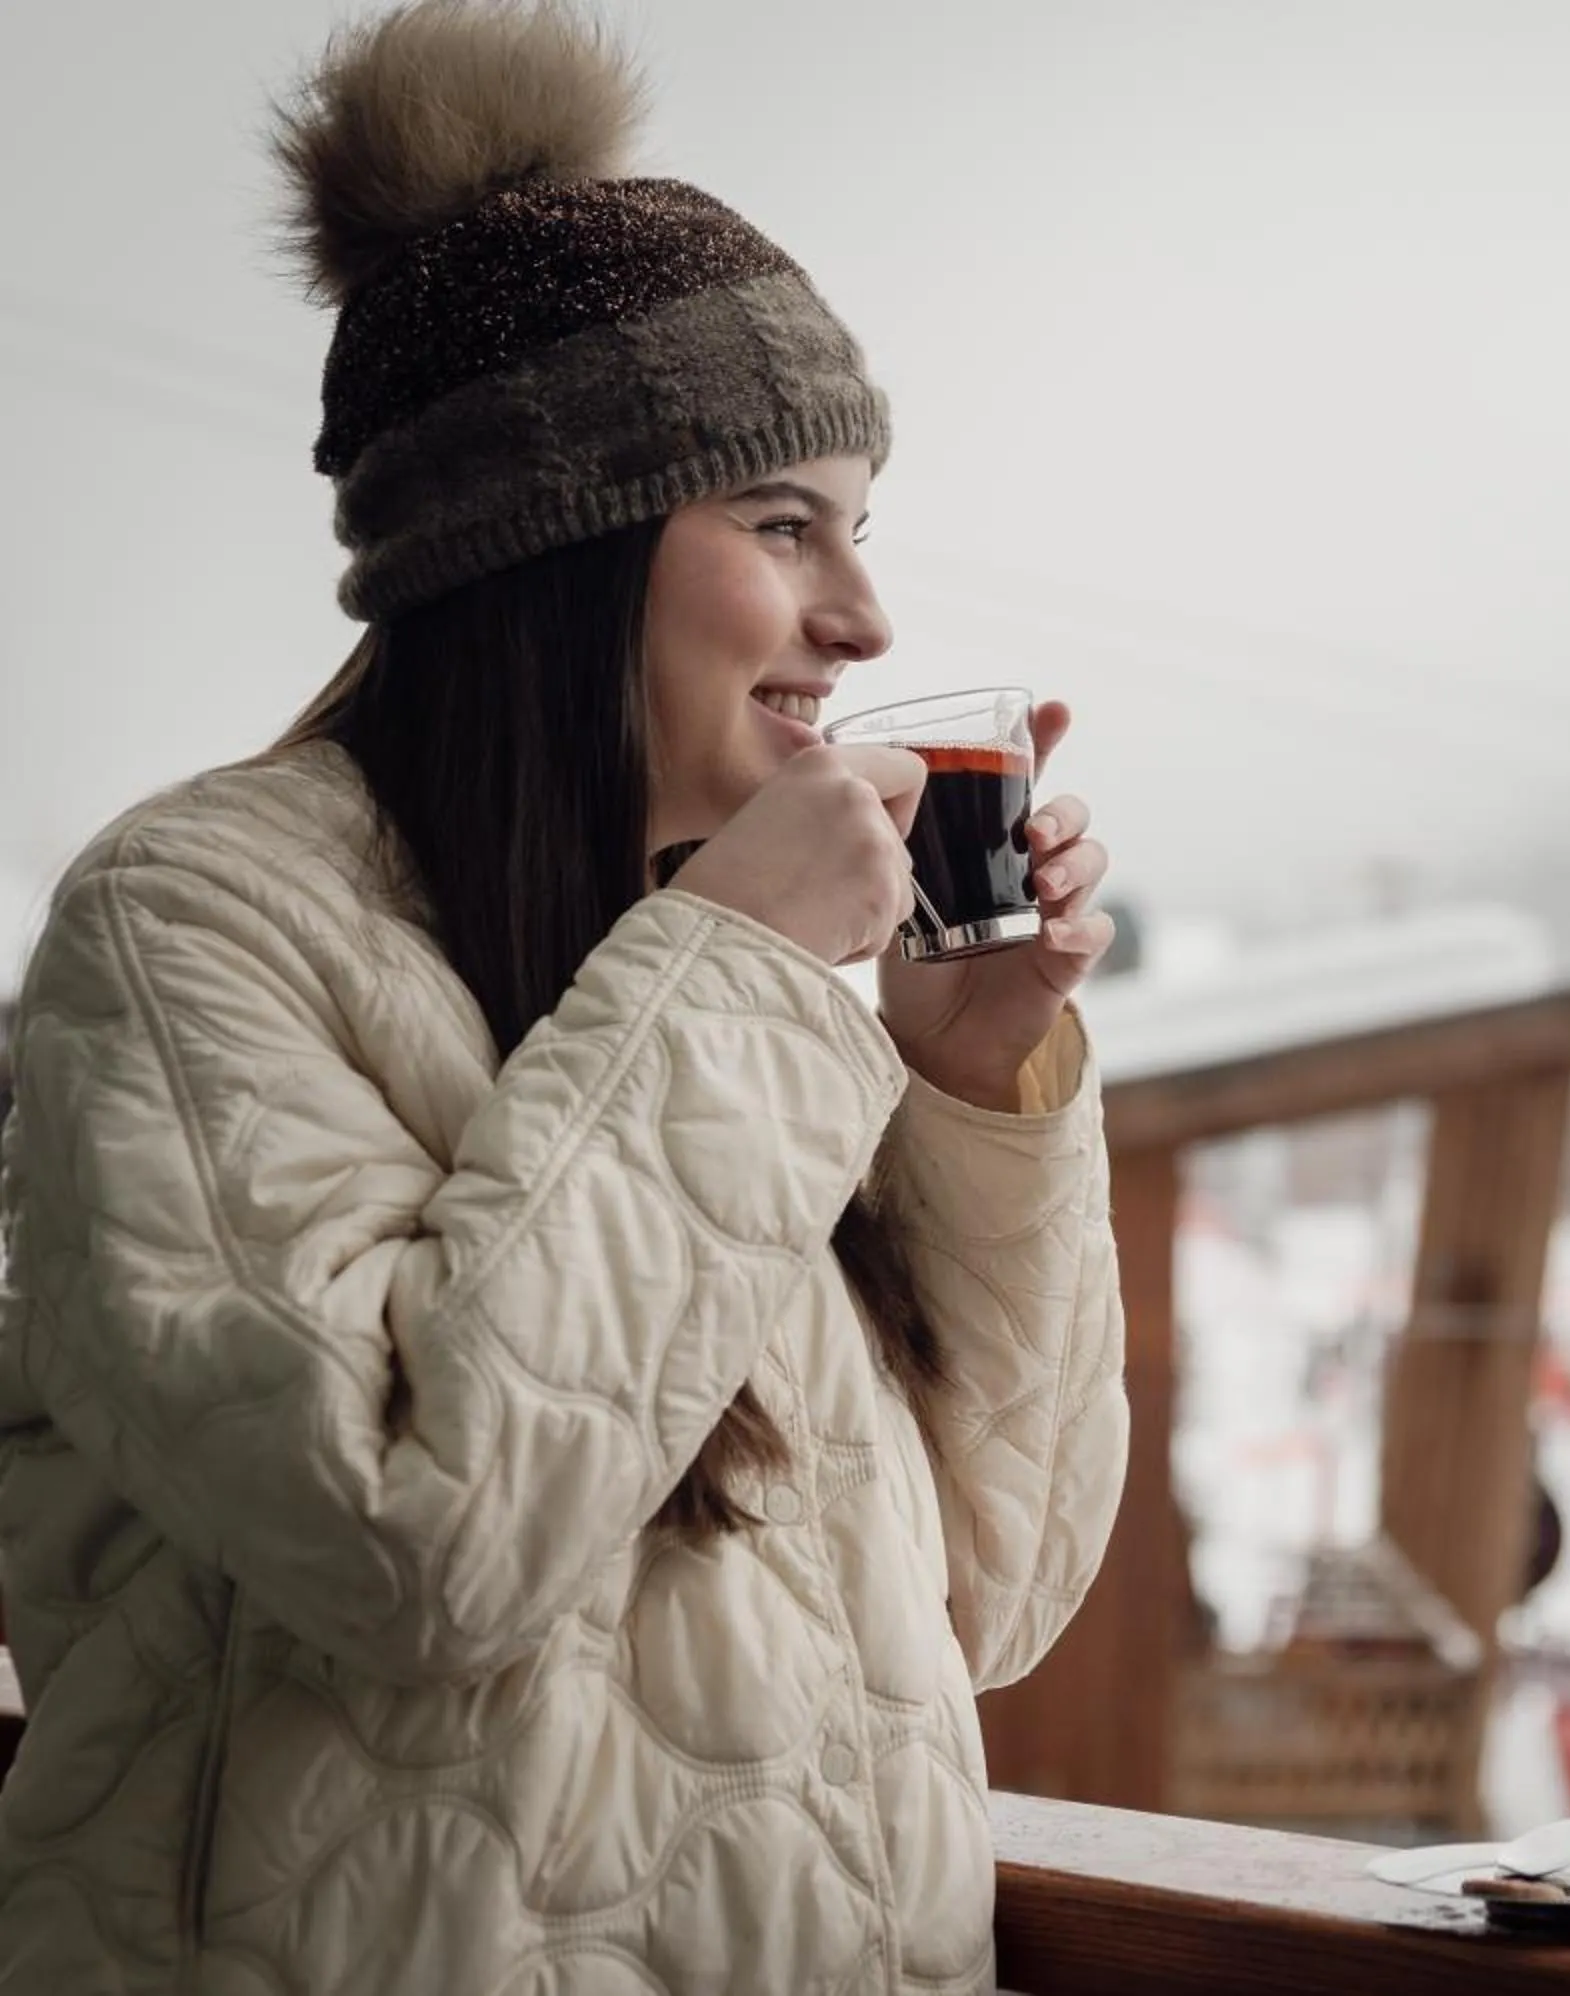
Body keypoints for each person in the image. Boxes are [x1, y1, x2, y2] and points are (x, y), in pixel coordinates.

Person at [0, 9, 1130, 1989]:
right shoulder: (190, 931)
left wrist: (967, 1095)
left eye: (858, 528)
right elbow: (421, 1542)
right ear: (556, 554)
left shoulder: (681, 983)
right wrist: (749, 970)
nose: (862, 616)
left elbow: (981, 1598)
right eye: (784, 523)